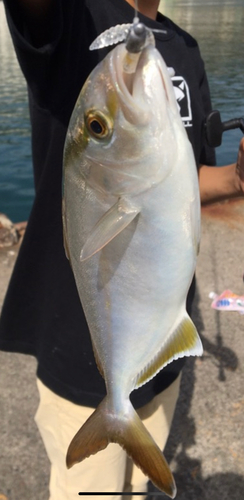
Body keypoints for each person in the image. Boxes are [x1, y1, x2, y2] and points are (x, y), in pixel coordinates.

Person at [1, 0, 244, 499]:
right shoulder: (74, 20)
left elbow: (184, 178)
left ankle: (124, 411)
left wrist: (240, 177)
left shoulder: (187, 49)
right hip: (78, 367)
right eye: (98, 128)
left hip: (165, 350)